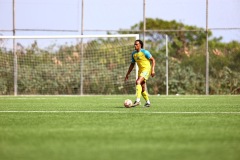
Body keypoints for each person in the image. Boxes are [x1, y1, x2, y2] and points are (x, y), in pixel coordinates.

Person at [125, 40, 155, 107]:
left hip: (147, 69)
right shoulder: (134, 54)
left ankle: (137, 100)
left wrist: (152, 70)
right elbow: (132, 65)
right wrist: (127, 74)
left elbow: (153, 60)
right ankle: (148, 102)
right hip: (140, 71)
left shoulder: (145, 52)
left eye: (136, 44)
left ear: (140, 45)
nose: (135, 46)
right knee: (142, 89)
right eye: (134, 44)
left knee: (137, 82)